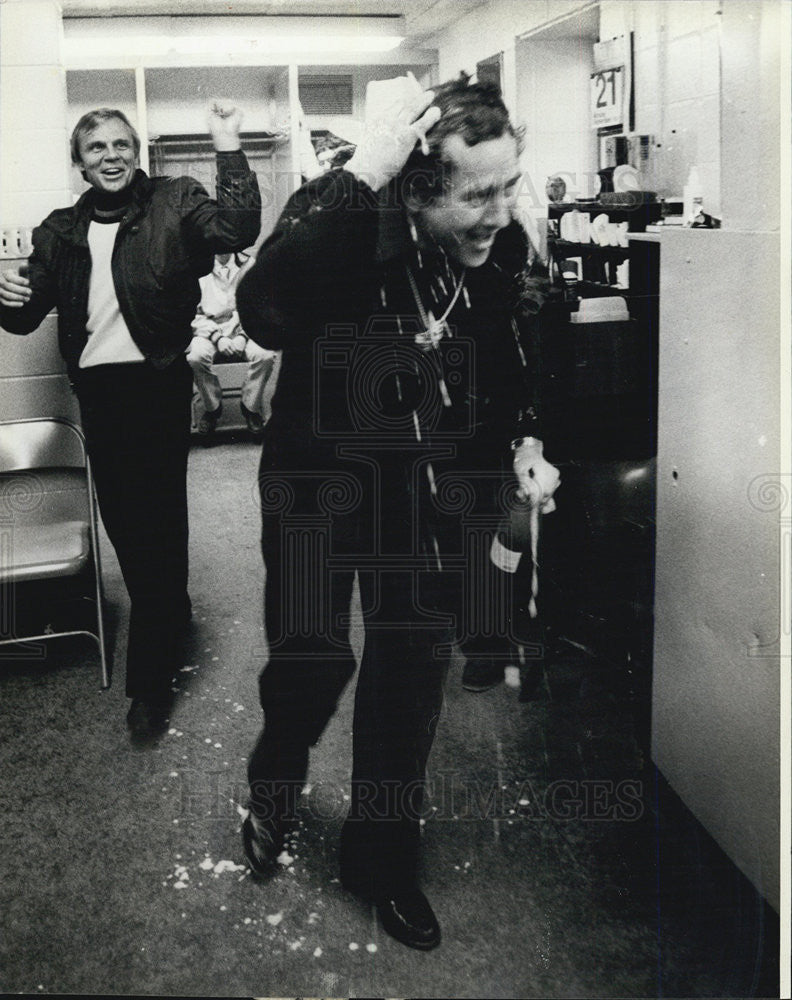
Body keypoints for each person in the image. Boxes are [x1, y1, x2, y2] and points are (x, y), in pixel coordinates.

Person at [235, 73, 559, 950]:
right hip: (317, 485)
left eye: (507, 185)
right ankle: (277, 772)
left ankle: (379, 861)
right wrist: (359, 173)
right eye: (476, 193)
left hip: (423, 498)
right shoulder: (350, 230)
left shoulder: (501, 246)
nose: (499, 212)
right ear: (416, 191)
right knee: (310, 662)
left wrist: (525, 440)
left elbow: (504, 351)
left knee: (408, 682)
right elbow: (262, 311)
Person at [0, 103, 261, 740]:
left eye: (121, 144)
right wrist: (4, 296)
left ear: (136, 151)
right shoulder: (59, 231)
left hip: (157, 384)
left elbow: (237, 227)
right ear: (79, 161)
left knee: (161, 526)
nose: (111, 155)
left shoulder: (175, 201)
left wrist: (227, 146)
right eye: (96, 148)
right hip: (100, 396)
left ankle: (149, 683)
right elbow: (23, 320)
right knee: (128, 530)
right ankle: (170, 611)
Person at [186, 251, 276, 440]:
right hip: (208, 331)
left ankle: (250, 406)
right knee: (195, 357)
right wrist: (217, 337)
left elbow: (257, 306)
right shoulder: (196, 266)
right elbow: (191, 313)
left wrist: (243, 335)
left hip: (245, 329)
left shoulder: (248, 264)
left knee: (265, 355)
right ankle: (213, 408)